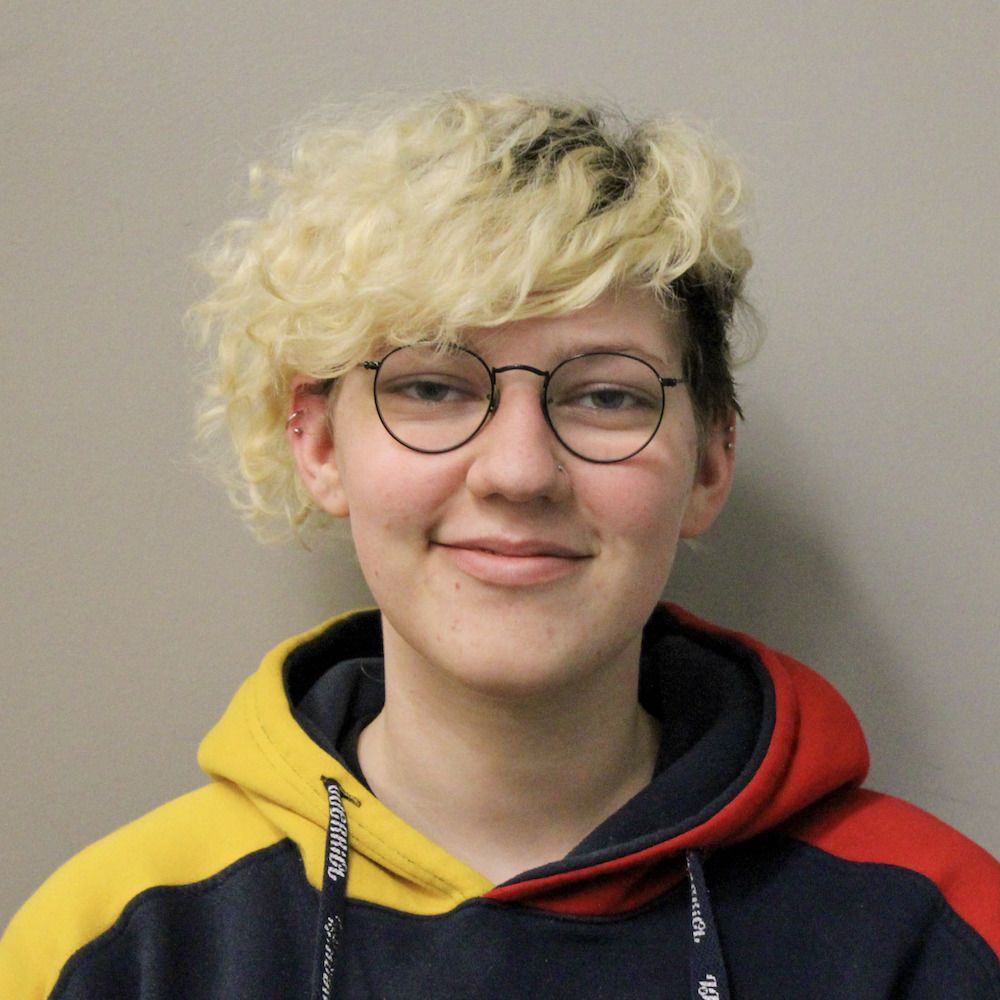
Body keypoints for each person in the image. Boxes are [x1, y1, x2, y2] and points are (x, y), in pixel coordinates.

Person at [1, 91, 997, 1000]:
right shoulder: (112, 945)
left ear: (708, 464)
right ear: (316, 443)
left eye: (607, 394)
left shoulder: (937, 932)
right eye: (432, 386)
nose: (519, 471)